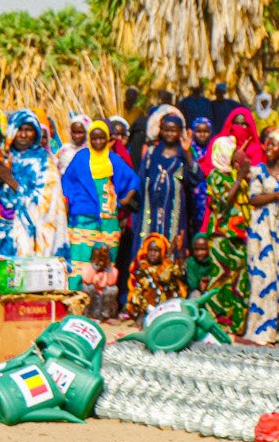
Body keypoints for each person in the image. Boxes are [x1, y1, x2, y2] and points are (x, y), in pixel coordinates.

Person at [0, 110, 68, 261]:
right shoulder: (0, 159)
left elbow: (46, 205)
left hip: (27, 240)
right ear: (11, 130)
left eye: (28, 130)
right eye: (19, 129)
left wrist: (10, 180)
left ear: (36, 133)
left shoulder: (44, 163)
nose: (23, 135)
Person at [245, 128, 279, 342]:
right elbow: (253, 199)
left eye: (274, 145)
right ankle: (260, 329)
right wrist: (275, 195)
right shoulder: (259, 171)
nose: (268, 148)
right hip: (262, 230)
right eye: (267, 144)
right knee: (262, 276)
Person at [63, 117, 137, 266]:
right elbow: (66, 185)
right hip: (82, 220)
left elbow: (133, 180)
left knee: (106, 264)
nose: (98, 142)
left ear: (108, 139)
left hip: (108, 221)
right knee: (80, 262)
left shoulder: (113, 159)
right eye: (94, 138)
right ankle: (77, 289)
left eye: (101, 138)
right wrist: (67, 211)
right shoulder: (81, 157)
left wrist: (124, 200)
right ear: (89, 138)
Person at [199, 138, 251, 337]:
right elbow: (222, 203)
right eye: (234, 150)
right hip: (222, 233)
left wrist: (241, 176)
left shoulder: (237, 173)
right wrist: (239, 180)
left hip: (240, 233)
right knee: (219, 277)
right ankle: (215, 322)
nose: (238, 152)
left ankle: (236, 323)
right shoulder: (215, 176)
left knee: (239, 279)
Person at [134, 111, 202, 259]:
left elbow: (196, 178)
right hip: (149, 213)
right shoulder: (151, 153)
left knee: (172, 253)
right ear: (161, 130)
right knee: (146, 250)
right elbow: (141, 180)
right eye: (166, 130)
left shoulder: (184, 155)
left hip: (174, 214)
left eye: (173, 130)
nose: (169, 133)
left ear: (179, 132)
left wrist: (188, 152)